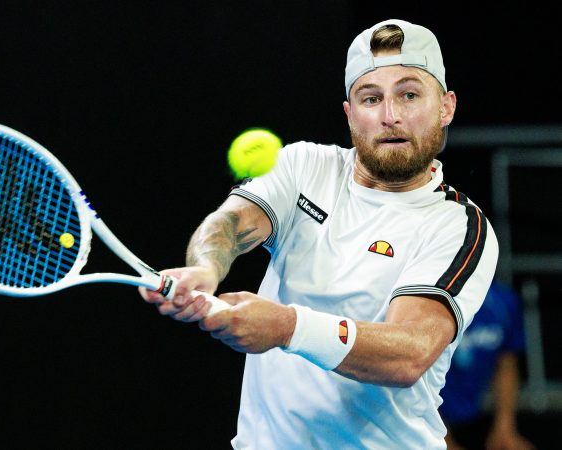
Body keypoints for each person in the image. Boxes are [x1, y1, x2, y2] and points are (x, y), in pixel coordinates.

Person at [140, 19, 499, 449]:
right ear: (349, 114)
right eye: (371, 98)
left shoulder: (457, 225)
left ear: (446, 107)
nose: (391, 116)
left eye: (409, 94)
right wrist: (205, 268)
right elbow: (230, 223)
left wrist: (287, 327)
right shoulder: (303, 166)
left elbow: (409, 353)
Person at [440, 280, 536, 450]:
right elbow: (415, 371)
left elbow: (506, 365)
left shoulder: (503, 302)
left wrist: (505, 427)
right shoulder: (431, 301)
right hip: (424, 417)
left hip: (476, 417)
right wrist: (442, 439)